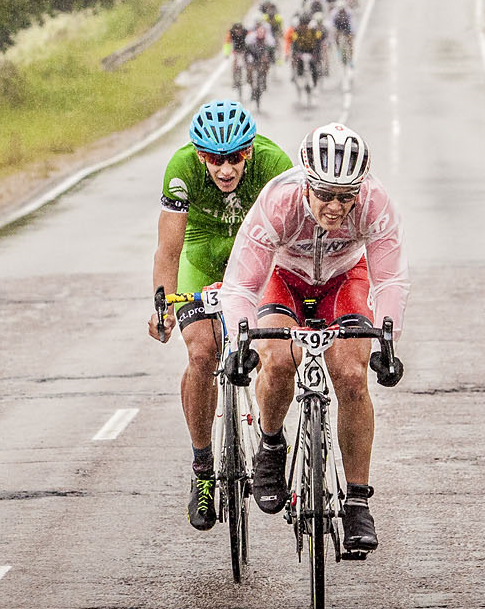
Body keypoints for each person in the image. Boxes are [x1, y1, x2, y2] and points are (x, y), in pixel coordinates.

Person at [217, 123, 408, 552]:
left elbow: (391, 278)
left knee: (351, 375)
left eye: (345, 196)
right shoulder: (278, 201)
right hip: (284, 278)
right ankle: (270, 445)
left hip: (345, 279)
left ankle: (358, 502)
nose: (336, 206)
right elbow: (242, 286)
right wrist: (239, 345)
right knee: (279, 361)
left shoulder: (375, 203)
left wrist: (389, 341)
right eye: (324, 194)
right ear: (306, 183)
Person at [148, 100, 294, 532]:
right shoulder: (181, 169)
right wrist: (162, 304)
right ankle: (203, 470)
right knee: (202, 352)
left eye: (235, 157)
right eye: (214, 158)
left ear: (250, 151)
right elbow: (169, 249)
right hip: (203, 253)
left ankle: (271, 434)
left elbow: (290, 238)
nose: (226, 169)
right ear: (199, 156)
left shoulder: (274, 163)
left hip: (256, 255)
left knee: (275, 349)